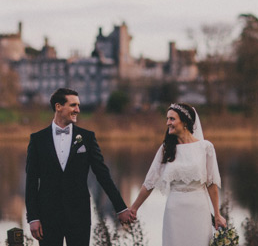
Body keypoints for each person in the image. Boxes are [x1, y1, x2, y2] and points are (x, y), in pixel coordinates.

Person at [25, 88, 133, 246]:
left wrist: (121, 208)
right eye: (73, 105)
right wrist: (33, 218)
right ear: (58, 107)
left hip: (79, 215)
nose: (78, 110)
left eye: (78, 105)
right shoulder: (37, 140)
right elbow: (31, 182)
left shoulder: (87, 138)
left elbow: (103, 175)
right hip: (48, 216)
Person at [130, 102, 227, 246]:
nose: (167, 122)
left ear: (185, 122)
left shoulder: (205, 147)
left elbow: (211, 183)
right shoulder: (166, 149)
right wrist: (133, 208)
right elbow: (149, 182)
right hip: (174, 208)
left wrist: (217, 214)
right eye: (167, 119)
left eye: (172, 119)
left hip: (199, 208)